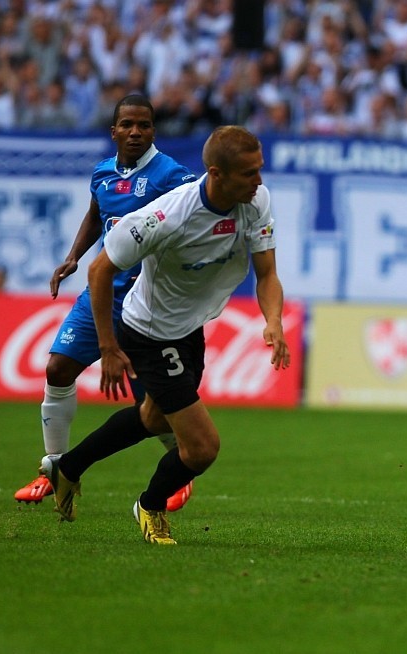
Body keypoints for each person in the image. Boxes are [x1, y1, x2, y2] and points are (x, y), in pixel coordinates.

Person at [41, 125, 291, 545]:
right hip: (150, 334)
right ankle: (150, 506)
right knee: (201, 448)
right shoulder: (165, 216)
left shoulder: (255, 201)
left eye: (259, 170)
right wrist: (108, 346)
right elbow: (100, 270)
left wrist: (274, 320)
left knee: (151, 418)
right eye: (249, 173)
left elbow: (267, 274)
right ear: (216, 173)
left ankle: (68, 468)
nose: (260, 181)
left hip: (190, 328)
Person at [14, 94, 198, 511]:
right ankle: (54, 469)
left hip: (147, 302)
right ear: (113, 130)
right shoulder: (102, 173)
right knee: (57, 368)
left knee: (151, 407)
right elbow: (97, 214)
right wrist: (73, 257)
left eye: (145, 125)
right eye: (128, 125)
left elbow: (195, 215)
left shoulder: (172, 175)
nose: (136, 132)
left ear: (153, 130)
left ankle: (180, 466)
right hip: (101, 293)